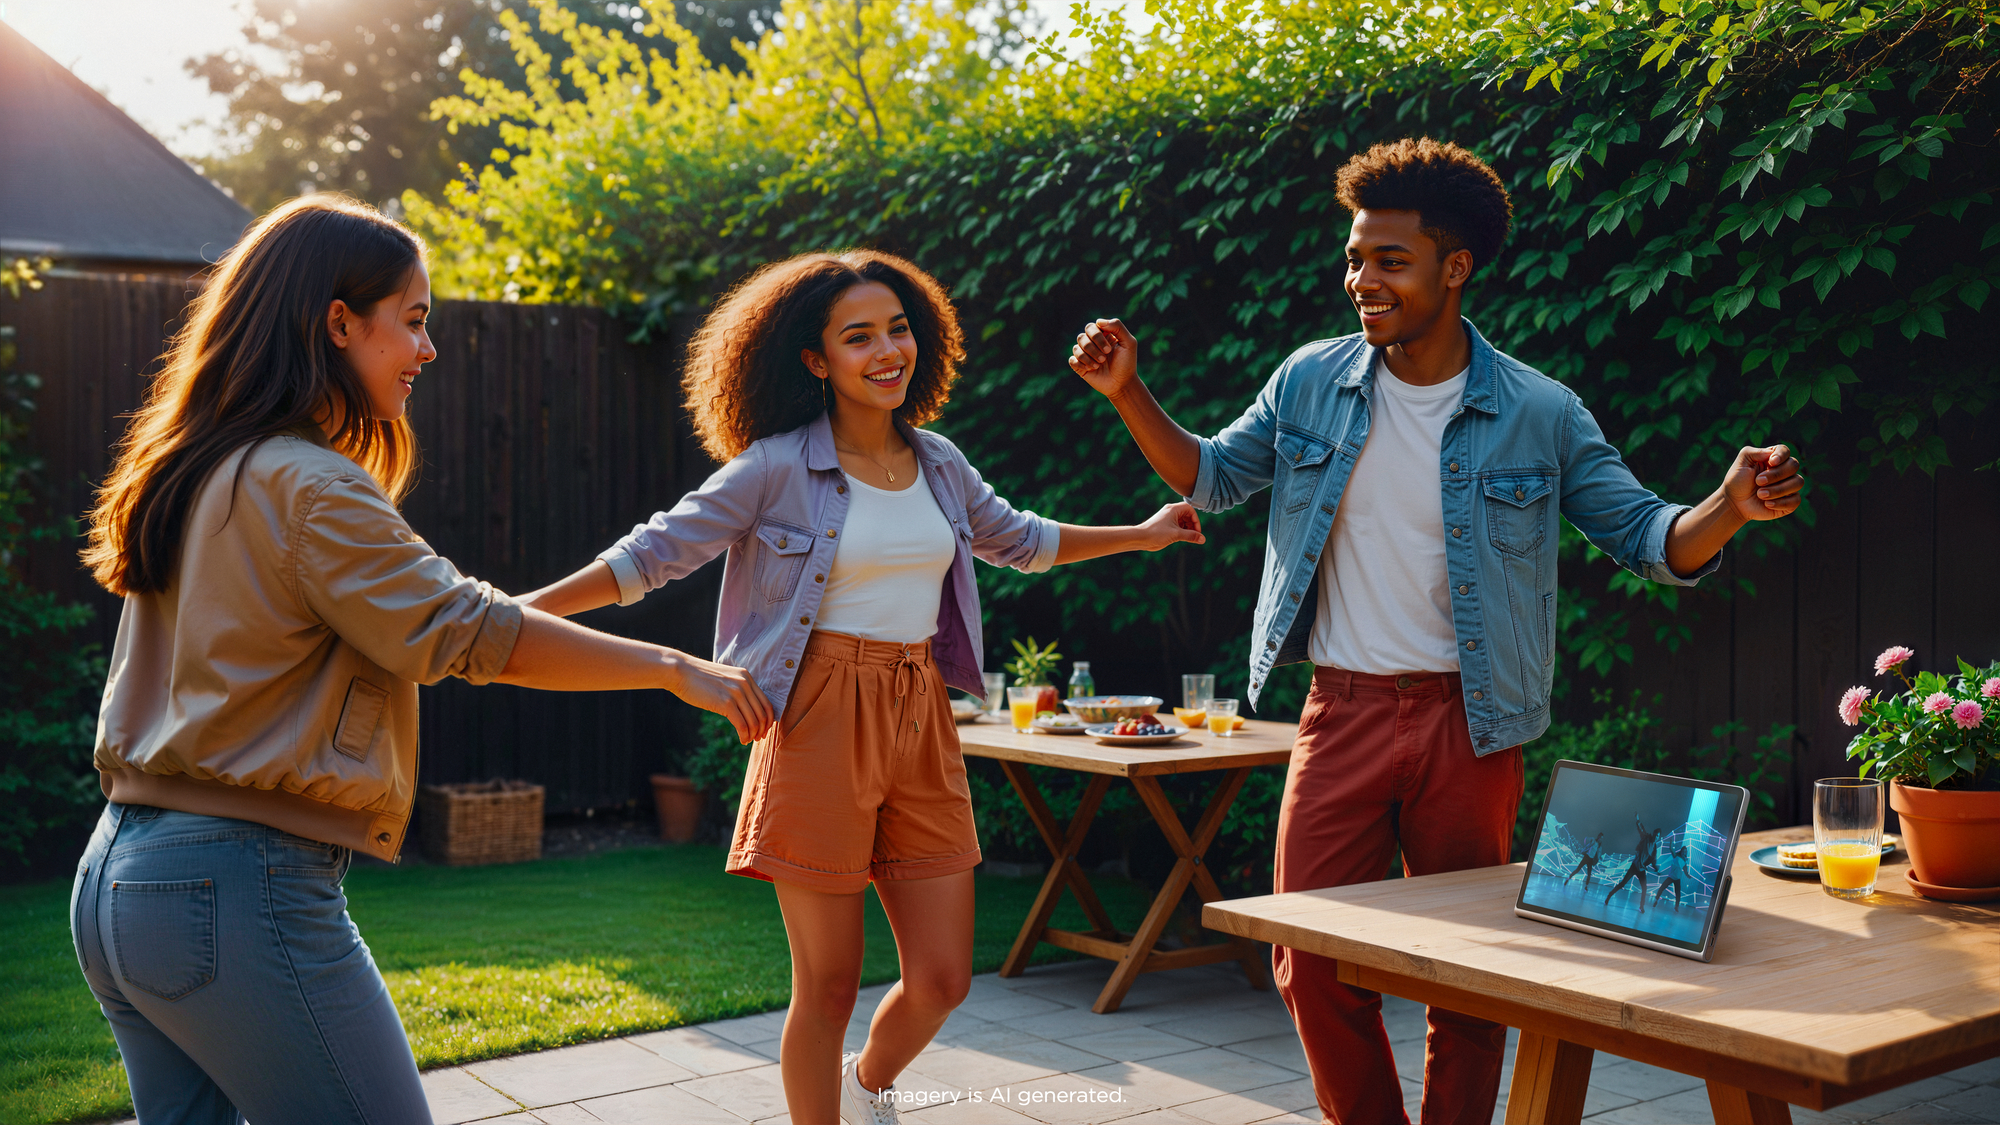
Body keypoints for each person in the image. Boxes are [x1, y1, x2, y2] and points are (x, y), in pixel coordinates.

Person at [1067, 137, 1804, 1124]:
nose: (1361, 281)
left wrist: (1727, 506)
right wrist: (1127, 392)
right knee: (1305, 961)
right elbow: (1213, 476)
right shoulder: (1307, 382)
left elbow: (1646, 537)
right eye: (1354, 259)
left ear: (1454, 268)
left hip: (1472, 726)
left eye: (1389, 261)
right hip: (1340, 714)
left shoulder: (1538, 410)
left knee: (1471, 979)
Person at [71, 195, 772, 1125]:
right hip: (236, 882)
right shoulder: (311, 484)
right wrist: (674, 667)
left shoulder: (194, 468)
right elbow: (469, 634)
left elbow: (446, 623)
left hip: (117, 877)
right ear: (338, 323)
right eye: (412, 320)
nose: (428, 349)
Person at [519, 249, 1205, 1125]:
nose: (888, 351)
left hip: (920, 710)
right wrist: (515, 613)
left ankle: (867, 1083)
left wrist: (1142, 533)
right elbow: (651, 554)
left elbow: (1021, 539)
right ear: (815, 359)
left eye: (898, 329)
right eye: (859, 337)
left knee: (944, 978)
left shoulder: (940, 462)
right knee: (830, 984)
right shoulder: (773, 468)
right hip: (815, 715)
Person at [1605, 815, 1661, 913]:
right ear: (1653, 834)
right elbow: (1641, 829)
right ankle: (1609, 895)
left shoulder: (1654, 847)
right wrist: (1637, 819)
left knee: (1644, 888)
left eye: (1658, 836)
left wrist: (1656, 868)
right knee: (1622, 883)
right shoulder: (1646, 838)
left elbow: (1653, 860)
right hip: (1635, 866)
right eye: (1655, 835)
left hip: (1642, 869)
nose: (1656, 837)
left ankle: (1641, 906)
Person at [1654, 843, 1690, 909]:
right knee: (1662, 887)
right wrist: (1671, 842)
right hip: (1671, 877)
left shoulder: (1685, 860)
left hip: (1677, 878)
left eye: (1685, 851)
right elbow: (1671, 849)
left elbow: (1685, 870)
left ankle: (1676, 906)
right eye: (1683, 851)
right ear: (1681, 851)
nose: (1684, 852)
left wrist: (1687, 875)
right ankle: (1656, 899)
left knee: (1678, 894)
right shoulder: (1676, 856)